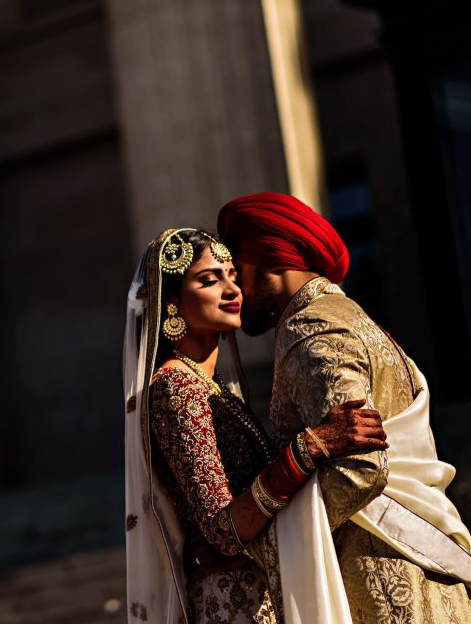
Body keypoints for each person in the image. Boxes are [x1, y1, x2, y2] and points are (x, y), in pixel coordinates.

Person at [217, 192, 471, 623]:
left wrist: (267, 543)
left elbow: (361, 466)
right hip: (423, 569)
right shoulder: (355, 318)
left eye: (238, 269)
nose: (234, 288)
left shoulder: (311, 327)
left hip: (384, 585)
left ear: (271, 257)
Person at [123, 228, 389, 623]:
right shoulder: (176, 387)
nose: (232, 289)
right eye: (210, 280)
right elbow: (223, 530)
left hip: (261, 595)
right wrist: (310, 447)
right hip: (232, 604)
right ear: (173, 303)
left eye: (233, 275)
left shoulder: (213, 389)